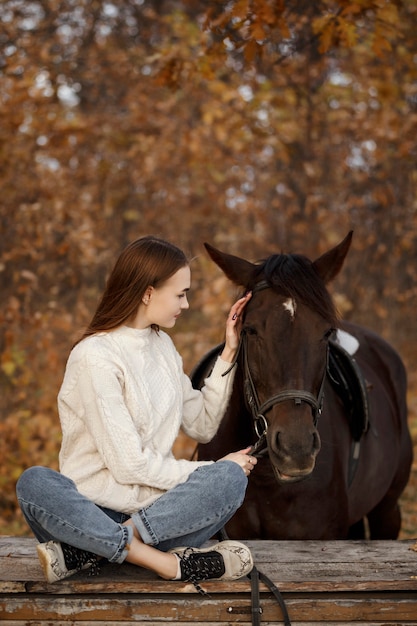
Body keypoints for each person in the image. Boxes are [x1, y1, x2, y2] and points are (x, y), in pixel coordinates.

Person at [16, 235, 257, 591]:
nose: (186, 304)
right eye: (180, 294)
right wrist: (209, 469)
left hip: (156, 518)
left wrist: (229, 352)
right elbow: (129, 465)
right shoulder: (95, 355)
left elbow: (202, 425)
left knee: (231, 480)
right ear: (147, 293)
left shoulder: (163, 347)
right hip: (88, 512)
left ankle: (90, 552)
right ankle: (163, 563)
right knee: (35, 483)